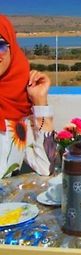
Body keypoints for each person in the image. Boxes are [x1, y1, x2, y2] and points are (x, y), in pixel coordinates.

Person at [0, 15, 55, 178]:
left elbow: (46, 166)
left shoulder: (18, 106)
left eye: (0, 45)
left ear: (11, 49)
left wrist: (40, 102)